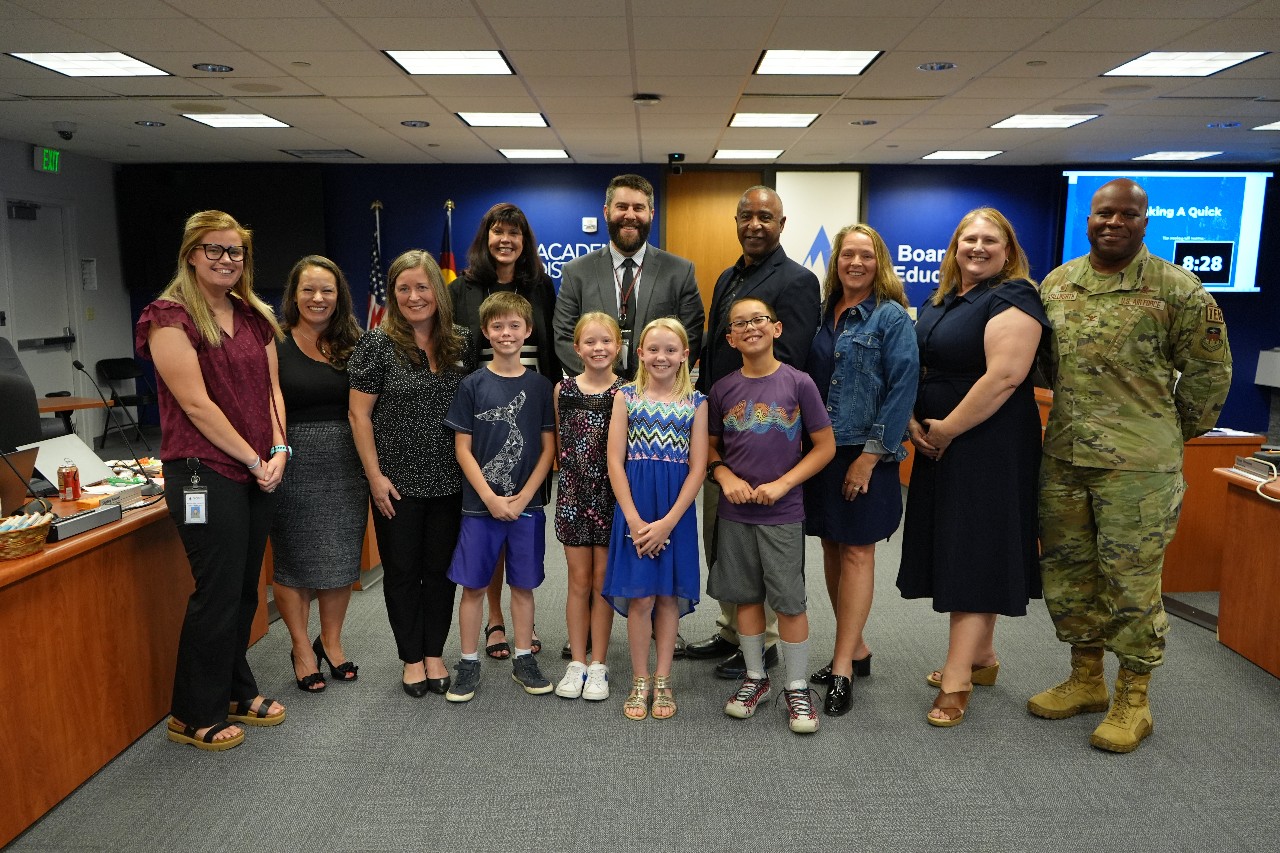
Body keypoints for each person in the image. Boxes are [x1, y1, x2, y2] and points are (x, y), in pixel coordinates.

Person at [1029, 178, 1232, 753]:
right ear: (1087, 220)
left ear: (1145, 222)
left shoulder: (1178, 290)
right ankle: (1087, 679)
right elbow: (1045, 366)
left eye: (1127, 214)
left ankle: (1133, 697)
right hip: (1066, 457)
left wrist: (1163, 434)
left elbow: (1210, 375)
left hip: (1138, 471)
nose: (1113, 222)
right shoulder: (1058, 285)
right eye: (1103, 213)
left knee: (1131, 583)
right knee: (1069, 577)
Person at [137, 209, 288, 751]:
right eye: (215, 250)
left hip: (259, 471)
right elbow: (196, 406)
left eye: (236, 252)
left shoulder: (254, 316)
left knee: (244, 590)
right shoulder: (168, 317)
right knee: (216, 593)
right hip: (203, 474)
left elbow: (273, 392)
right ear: (191, 255)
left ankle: (233, 689)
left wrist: (279, 450)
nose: (227, 260)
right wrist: (253, 459)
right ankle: (191, 712)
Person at [895, 209, 1049, 727]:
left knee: (974, 550)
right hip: (939, 438)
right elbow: (921, 367)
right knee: (960, 542)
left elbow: (1005, 376)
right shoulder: (941, 301)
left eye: (990, 240)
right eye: (969, 239)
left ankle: (957, 679)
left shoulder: (1014, 297)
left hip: (988, 443)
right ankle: (981, 656)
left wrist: (947, 429)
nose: (978, 247)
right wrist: (915, 420)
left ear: (1009, 250)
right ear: (954, 246)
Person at [687, 185, 822, 680]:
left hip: (764, 436)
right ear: (737, 221)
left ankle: (763, 646)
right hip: (722, 430)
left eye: (766, 217)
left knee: (765, 548)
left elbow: (792, 356)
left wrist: (745, 403)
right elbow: (713, 347)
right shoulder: (727, 276)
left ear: (782, 225)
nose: (755, 224)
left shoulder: (799, 280)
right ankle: (732, 630)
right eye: (747, 216)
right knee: (722, 541)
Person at [802, 224, 918, 717]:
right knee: (832, 545)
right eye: (847, 254)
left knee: (857, 553)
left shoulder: (890, 317)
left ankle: (843, 666)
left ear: (879, 263)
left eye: (866, 256)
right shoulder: (823, 315)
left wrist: (871, 457)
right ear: (837, 262)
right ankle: (858, 649)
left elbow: (902, 389)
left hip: (864, 453)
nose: (855, 263)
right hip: (823, 451)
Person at [349, 249, 473, 699]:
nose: (414, 296)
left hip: (451, 479)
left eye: (422, 287)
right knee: (402, 572)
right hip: (394, 482)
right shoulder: (376, 344)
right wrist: (375, 476)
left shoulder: (461, 342)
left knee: (440, 571)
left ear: (438, 291)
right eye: (404, 288)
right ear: (394, 294)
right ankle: (412, 658)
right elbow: (359, 416)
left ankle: (436, 653)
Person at [708, 297, 834, 734]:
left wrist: (784, 483)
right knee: (745, 596)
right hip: (736, 512)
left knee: (789, 599)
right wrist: (724, 477)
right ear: (730, 338)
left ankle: (797, 685)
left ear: (776, 329)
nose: (750, 328)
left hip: (783, 513)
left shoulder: (799, 384)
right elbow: (709, 448)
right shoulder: (722, 389)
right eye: (740, 324)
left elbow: (825, 446)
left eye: (758, 320)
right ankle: (756, 676)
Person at [450, 203, 560, 660]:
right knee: (485, 523)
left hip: (533, 406)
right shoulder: (463, 288)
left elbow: (552, 345)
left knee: (521, 518)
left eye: (514, 233)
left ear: (524, 240)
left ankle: (518, 630)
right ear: (486, 237)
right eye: (498, 232)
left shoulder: (540, 286)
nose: (505, 240)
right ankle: (494, 620)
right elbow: (454, 347)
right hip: (482, 410)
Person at [443, 291, 557, 702]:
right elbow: (462, 448)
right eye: (497, 326)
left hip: (528, 507)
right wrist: (490, 497)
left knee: (523, 586)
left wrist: (525, 495)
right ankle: (469, 661)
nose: (506, 333)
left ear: (527, 331)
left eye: (514, 326)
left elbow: (548, 450)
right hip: (479, 507)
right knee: (473, 587)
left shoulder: (542, 386)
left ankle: (523, 657)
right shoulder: (472, 385)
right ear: (485, 332)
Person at [604, 318, 708, 721]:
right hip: (635, 510)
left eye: (670, 350)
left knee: (666, 596)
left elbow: (698, 469)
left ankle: (664, 679)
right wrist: (633, 519)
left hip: (674, 513)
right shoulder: (626, 397)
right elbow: (615, 461)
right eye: (653, 349)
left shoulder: (697, 403)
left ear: (685, 355)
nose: (661, 357)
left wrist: (667, 523)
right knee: (641, 596)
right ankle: (640, 679)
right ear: (641, 354)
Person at [271, 255, 366, 693]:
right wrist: (278, 452)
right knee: (294, 560)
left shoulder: (354, 342)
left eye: (327, 290)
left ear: (339, 296)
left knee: (340, 557)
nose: (318, 298)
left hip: (348, 459)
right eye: (308, 289)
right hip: (294, 458)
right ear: (293, 295)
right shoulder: (274, 341)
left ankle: (330, 641)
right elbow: (268, 404)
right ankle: (300, 647)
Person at [552, 173, 704, 382]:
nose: (630, 215)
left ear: (651, 213)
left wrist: (652, 386)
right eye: (622, 207)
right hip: (596, 398)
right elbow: (564, 338)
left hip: (657, 397)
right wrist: (601, 385)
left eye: (638, 208)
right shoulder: (576, 272)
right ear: (606, 212)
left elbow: (690, 338)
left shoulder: (680, 272)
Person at [553, 312, 625, 701]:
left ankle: (599, 664)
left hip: (612, 498)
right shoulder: (563, 390)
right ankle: (577, 662)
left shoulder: (627, 392)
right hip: (574, 496)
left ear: (618, 346)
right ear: (576, 347)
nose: (598, 349)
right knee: (578, 580)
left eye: (606, 342)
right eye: (590, 342)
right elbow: (560, 447)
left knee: (602, 583)